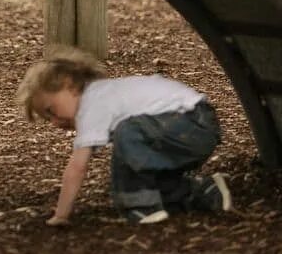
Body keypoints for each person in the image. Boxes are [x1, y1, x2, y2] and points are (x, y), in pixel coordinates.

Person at [15, 45, 232, 226]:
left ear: (69, 86)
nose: (54, 122)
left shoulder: (93, 103)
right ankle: (205, 192)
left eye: (51, 110)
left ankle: (140, 206)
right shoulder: (104, 96)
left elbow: (77, 167)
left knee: (127, 134)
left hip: (189, 122)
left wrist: (61, 215)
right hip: (195, 127)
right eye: (47, 118)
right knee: (138, 160)